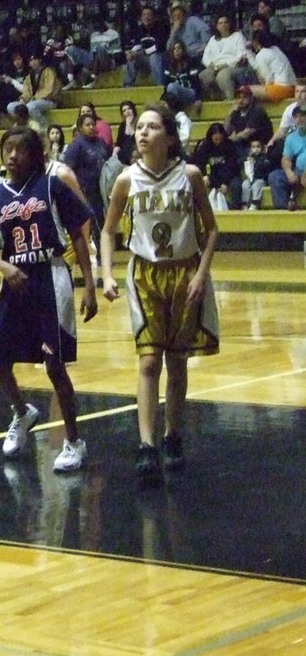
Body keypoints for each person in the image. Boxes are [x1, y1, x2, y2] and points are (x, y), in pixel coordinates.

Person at [100, 102, 219, 486]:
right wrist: (106, 274)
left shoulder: (190, 175)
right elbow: (107, 230)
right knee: (149, 361)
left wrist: (202, 273)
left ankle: (173, 436)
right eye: (139, 127)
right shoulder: (125, 179)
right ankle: (146, 445)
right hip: (144, 274)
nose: (143, 132)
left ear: (169, 137)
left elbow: (212, 229)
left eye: (152, 127)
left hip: (185, 272)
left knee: (178, 361)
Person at [0, 128, 97, 473]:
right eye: (7, 148)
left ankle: (73, 441)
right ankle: (22, 412)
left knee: (54, 366)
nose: (12, 155)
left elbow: (78, 236)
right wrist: (5, 266)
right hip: (15, 282)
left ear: (34, 155)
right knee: (0, 363)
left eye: (20, 150)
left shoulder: (52, 185)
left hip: (51, 275)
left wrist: (89, 284)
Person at [62, 112, 111, 234]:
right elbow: (67, 170)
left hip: (102, 188)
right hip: (87, 190)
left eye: (93, 124)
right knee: (95, 221)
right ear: (80, 128)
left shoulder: (100, 142)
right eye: (87, 125)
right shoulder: (76, 146)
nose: (91, 127)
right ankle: (100, 250)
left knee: (104, 220)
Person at [189, 122, 243, 211]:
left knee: (236, 184)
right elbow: (199, 162)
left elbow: (232, 166)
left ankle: (236, 209)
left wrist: (225, 183)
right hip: (211, 177)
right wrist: (203, 175)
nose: (218, 138)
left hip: (228, 177)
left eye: (219, 135)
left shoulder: (229, 145)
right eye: (215, 135)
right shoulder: (205, 146)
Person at [199, 15, 251, 101]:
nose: (223, 25)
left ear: (230, 24)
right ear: (217, 26)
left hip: (232, 66)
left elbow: (242, 55)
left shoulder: (237, 36)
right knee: (203, 76)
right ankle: (212, 100)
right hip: (214, 67)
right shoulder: (213, 39)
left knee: (222, 76)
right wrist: (211, 64)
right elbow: (205, 57)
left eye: (225, 22)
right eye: (220, 23)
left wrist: (225, 65)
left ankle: (230, 100)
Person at [269, 105, 306, 209]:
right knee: (274, 176)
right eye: (296, 117)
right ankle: (282, 210)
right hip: (298, 170)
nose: (299, 119)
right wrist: (289, 172)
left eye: (303, 116)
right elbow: (286, 159)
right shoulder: (291, 137)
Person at [122, 6, 169, 88]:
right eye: (144, 15)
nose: (146, 17)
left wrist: (143, 52)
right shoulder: (140, 29)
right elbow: (138, 44)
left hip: (160, 58)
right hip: (145, 58)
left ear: (154, 17)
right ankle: (127, 85)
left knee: (154, 57)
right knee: (132, 58)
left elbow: (159, 46)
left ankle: (160, 86)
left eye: (149, 14)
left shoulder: (161, 28)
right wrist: (131, 53)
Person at [244, 30, 296, 103]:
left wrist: (265, 89)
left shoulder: (261, 54)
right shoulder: (275, 48)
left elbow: (269, 79)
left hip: (282, 89)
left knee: (244, 91)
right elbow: (257, 66)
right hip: (293, 87)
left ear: (255, 41)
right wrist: (248, 51)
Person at [161, 40, 202, 115]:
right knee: (169, 89)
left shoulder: (191, 62)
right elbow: (165, 85)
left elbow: (196, 83)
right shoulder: (168, 65)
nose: (177, 51)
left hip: (190, 92)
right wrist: (162, 99)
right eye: (174, 49)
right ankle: (176, 111)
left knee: (172, 87)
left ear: (183, 50)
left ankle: (174, 113)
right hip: (175, 95)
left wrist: (198, 99)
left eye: (179, 48)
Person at [240, 139, 272, 210]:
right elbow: (240, 162)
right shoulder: (248, 157)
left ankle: (255, 203)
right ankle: (245, 204)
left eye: (258, 147)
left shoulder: (264, 158)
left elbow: (265, 167)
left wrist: (255, 162)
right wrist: (247, 160)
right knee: (245, 184)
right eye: (253, 147)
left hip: (261, 180)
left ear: (262, 148)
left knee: (256, 185)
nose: (256, 149)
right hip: (250, 179)